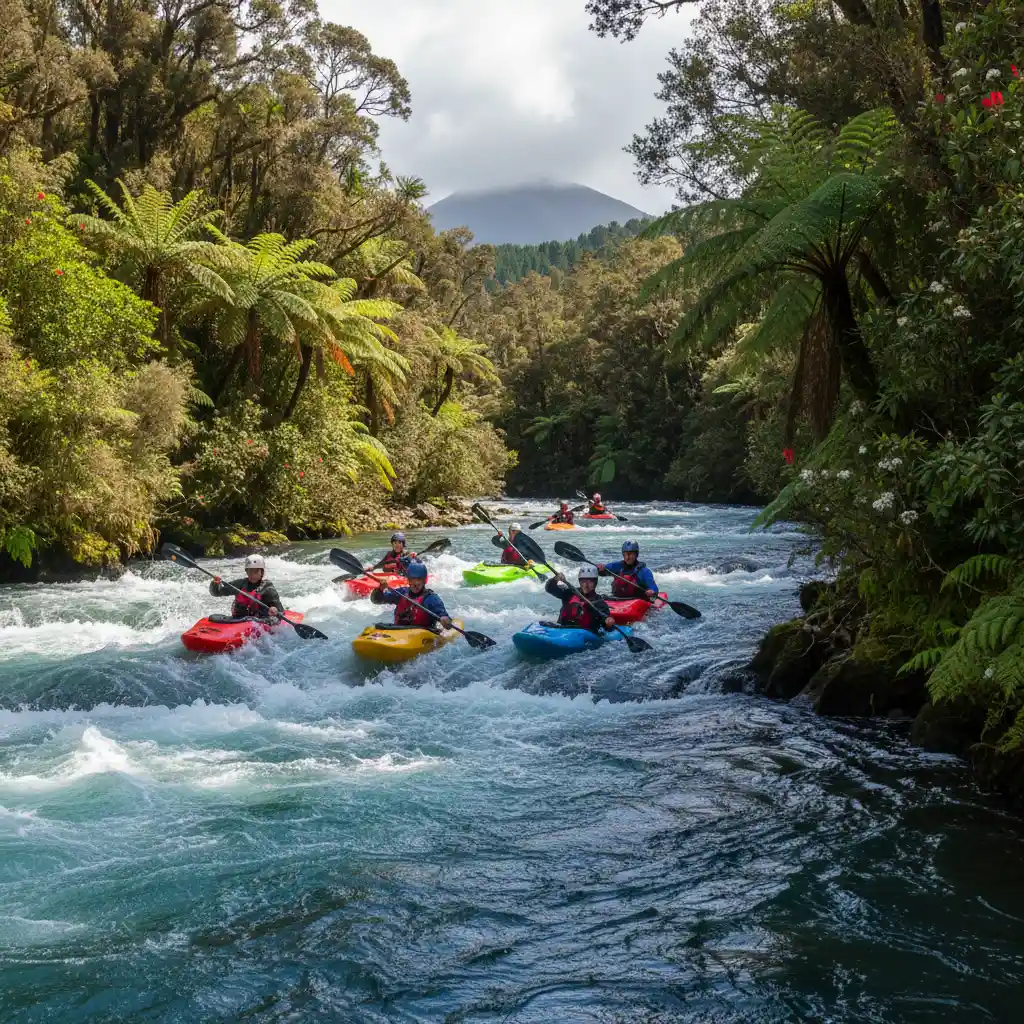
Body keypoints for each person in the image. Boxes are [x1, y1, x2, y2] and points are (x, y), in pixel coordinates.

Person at [370, 560, 452, 631]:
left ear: (424, 581)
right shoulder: (401, 593)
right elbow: (376, 600)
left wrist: (445, 620)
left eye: (418, 580)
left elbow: (445, 619)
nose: (415, 584)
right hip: (398, 631)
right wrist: (380, 589)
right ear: (408, 580)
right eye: (412, 580)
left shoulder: (431, 599)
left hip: (421, 635)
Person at [544, 565, 616, 634]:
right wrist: (555, 579)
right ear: (579, 581)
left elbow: (607, 628)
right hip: (562, 630)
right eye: (583, 581)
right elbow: (549, 588)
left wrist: (608, 623)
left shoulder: (600, 603)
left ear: (595, 582)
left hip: (585, 636)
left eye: (590, 581)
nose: (585, 585)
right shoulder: (570, 592)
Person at [210, 554, 284, 619]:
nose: (252, 574)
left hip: (260, 622)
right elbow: (216, 593)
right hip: (238, 620)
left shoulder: (268, 588)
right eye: (249, 571)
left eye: (255, 571)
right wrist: (215, 584)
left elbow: (280, 611)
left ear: (262, 572)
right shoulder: (239, 584)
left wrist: (275, 610)